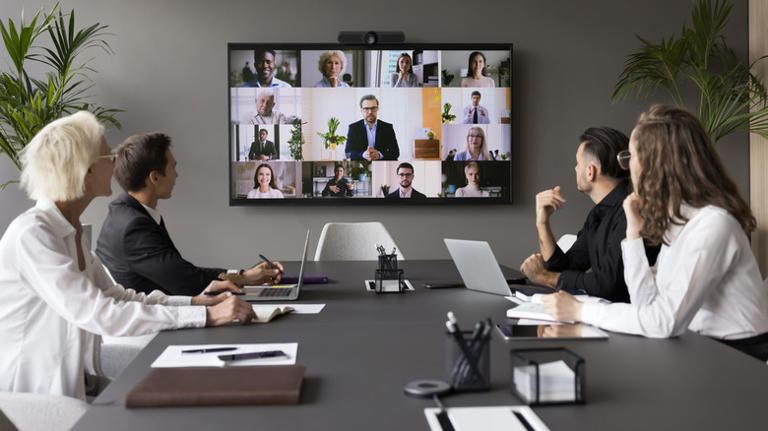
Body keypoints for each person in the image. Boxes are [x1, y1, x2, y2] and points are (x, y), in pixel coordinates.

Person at [0, 112, 260, 399]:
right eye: (108, 157)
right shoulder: (33, 235)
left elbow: (118, 296)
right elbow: (100, 313)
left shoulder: (70, 231)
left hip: (72, 388)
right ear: (85, 169)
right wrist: (206, 315)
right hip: (33, 401)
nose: (115, 163)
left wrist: (195, 303)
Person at [541, 105, 768, 361]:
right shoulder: (678, 221)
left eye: (632, 157)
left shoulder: (713, 225)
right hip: (696, 346)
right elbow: (646, 303)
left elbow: (664, 321)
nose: (628, 168)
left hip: (739, 358)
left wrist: (581, 311)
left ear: (656, 165)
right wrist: (633, 234)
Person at [96, 132, 283, 297]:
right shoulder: (134, 226)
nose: (176, 176)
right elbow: (186, 281)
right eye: (173, 168)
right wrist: (245, 277)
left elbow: (182, 273)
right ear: (155, 177)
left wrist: (245, 276)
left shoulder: (123, 211)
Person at [519, 127, 659, 302]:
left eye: (578, 163)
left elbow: (608, 285)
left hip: (631, 312)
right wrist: (542, 222)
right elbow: (565, 268)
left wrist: (544, 277)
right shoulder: (598, 214)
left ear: (590, 171)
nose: (575, 168)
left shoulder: (631, 211)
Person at [345, 95, 399, 161]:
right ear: (361, 110)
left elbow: (396, 152)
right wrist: (363, 154)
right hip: (361, 164)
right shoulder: (353, 128)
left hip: (381, 164)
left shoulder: (387, 128)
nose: (370, 112)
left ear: (377, 109)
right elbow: (348, 153)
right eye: (366, 109)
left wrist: (379, 155)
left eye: (373, 108)